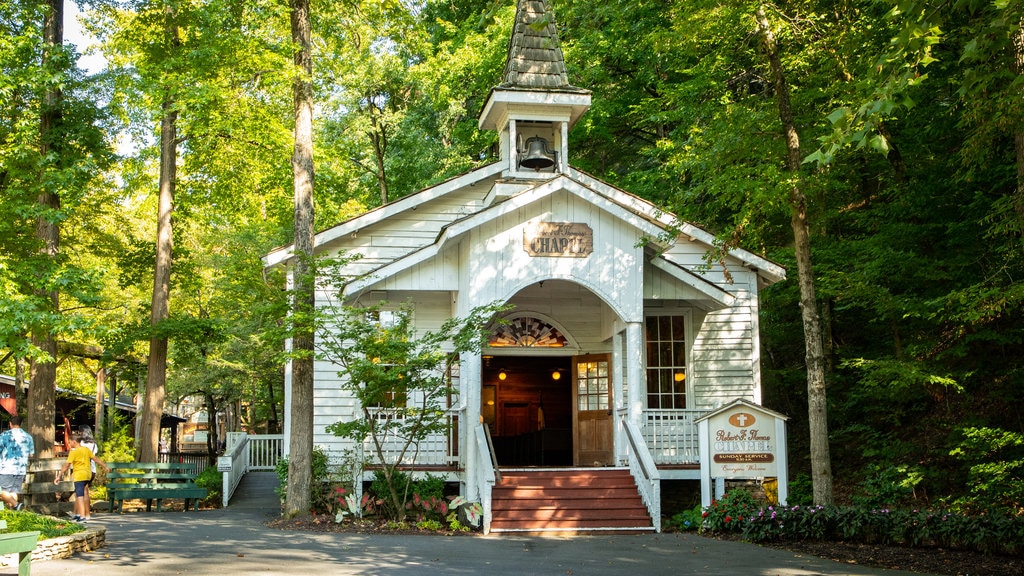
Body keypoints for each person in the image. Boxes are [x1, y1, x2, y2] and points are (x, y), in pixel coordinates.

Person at [54, 431, 109, 522]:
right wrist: (104, 466)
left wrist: (59, 476)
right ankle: (80, 514)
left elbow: (67, 465)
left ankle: (82, 516)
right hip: (88, 474)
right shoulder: (86, 449)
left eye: (70, 442)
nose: (69, 444)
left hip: (79, 475)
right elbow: (95, 458)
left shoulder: (73, 452)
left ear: (74, 442)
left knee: (79, 496)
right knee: (82, 493)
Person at [0, 415, 34, 511]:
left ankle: (16, 504)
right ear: (21, 424)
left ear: (10, 424)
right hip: (21, 469)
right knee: (12, 492)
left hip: (6, 468)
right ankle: (13, 514)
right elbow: (31, 454)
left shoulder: (4, 435)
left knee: (2, 491)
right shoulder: (28, 437)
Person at [78, 425, 98, 509]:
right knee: (86, 490)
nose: (79, 433)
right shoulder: (94, 444)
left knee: (82, 491)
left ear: (83, 432)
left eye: (80, 431)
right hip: (92, 470)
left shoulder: (81, 443)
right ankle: (87, 511)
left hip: (83, 470)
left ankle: (83, 511)